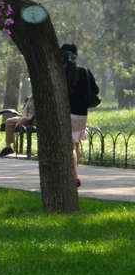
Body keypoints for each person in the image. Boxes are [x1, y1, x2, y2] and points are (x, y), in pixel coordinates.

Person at [62, 43, 99, 187]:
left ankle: (75, 177)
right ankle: (74, 173)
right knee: (75, 144)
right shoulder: (85, 72)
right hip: (81, 114)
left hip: (65, 113)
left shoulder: (59, 72)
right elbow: (95, 90)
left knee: (70, 146)